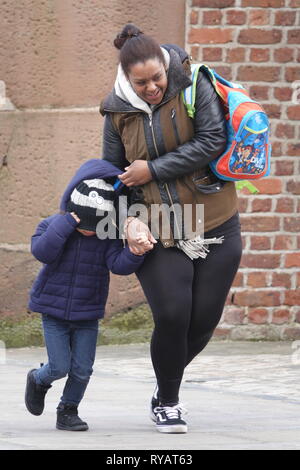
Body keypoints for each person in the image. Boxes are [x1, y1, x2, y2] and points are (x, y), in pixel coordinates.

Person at [100, 24, 242, 434]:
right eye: (140, 82)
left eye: (157, 79)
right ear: (126, 78)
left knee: (202, 322)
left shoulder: (194, 83)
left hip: (215, 218)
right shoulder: (115, 112)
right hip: (158, 222)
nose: (151, 88)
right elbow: (111, 173)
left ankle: (165, 385)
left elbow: (212, 139)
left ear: (166, 68)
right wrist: (126, 219)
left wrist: (153, 168)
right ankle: (168, 401)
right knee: (173, 314)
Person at [25, 159, 152, 431]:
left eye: (98, 224)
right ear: (74, 211)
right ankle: (38, 379)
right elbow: (42, 252)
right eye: (86, 222)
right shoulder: (53, 225)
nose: (90, 230)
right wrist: (66, 222)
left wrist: (134, 252)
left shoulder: (105, 236)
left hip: (88, 312)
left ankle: (68, 410)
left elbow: (117, 266)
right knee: (59, 367)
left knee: (82, 369)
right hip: (53, 312)